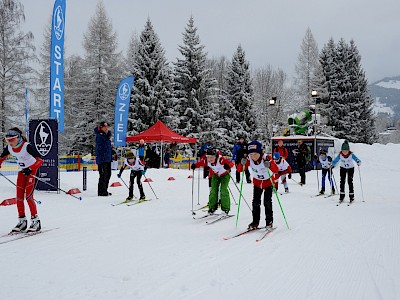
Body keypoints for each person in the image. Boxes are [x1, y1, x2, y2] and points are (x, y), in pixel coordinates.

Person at [0, 128, 43, 233]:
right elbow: (1, 158)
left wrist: (30, 169)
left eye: (12, 140)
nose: (10, 142)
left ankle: (35, 221)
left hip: (32, 171)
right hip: (22, 171)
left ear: (18, 138)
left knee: (29, 197)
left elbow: (40, 160)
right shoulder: (9, 148)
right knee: (19, 197)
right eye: (8, 140)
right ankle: (22, 221)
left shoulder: (26, 146)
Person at [241, 141, 279, 230]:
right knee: (255, 203)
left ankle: (269, 222)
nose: (253, 156)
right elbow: (240, 169)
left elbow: (276, 170)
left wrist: (269, 165)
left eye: (255, 154)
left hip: (268, 182)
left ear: (260, 152)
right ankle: (255, 222)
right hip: (257, 183)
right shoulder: (249, 159)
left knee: (267, 202)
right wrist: (242, 163)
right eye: (251, 154)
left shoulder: (266, 158)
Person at [191, 147, 234, 216]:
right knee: (213, 190)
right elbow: (201, 163)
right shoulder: (206, 161)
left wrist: (228, 166)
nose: (210, 159)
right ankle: (212, 208)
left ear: (215, 156)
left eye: (212, 157)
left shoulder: (220, 160)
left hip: (225, 175)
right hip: (216, 175)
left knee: (223, 190)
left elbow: (231, 163)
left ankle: (225, 209)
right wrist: (195, 165)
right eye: (208, 157)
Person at [94, 121, 112, 196]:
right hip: (102, 159)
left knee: (108, 174)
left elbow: (108, 147)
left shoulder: (107, 136)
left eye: (107, 127)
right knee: (103, 175)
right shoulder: (99, 136)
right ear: (101, 128)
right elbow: (100, 148)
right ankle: (101, 191)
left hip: (108, 158)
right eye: (105, 127)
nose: (106, 128)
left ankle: (105, 189)